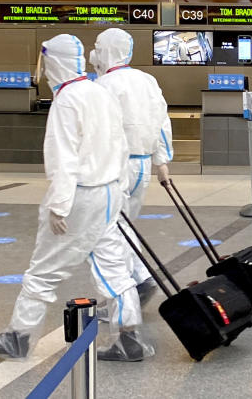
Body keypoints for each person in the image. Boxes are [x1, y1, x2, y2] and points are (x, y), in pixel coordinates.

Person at [0, 35, 152, 362]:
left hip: (81, 197)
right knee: (114, 267)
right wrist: (121, 188)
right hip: (111, 193)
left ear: (52, 62)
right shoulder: (101, 91)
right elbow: (121, 145)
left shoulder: (68, 100)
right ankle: (129, 338)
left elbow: (63, 159)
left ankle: (19, 336)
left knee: (44, 269)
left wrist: (58, 205)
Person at [90, 28, 173, 305]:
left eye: (98, 47)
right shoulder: (146, 80)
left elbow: (94, 131)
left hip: (115, 167)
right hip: (142, 166)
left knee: (109, 229)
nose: (95, 53)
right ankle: (139, 278)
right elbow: (162, 121)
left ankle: (128, 289)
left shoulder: (103, 86)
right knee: (125, 226)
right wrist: (162, 161)